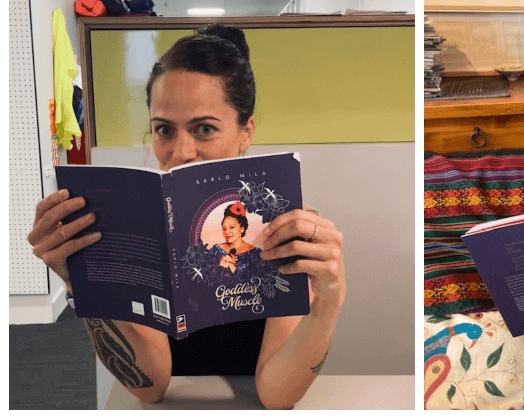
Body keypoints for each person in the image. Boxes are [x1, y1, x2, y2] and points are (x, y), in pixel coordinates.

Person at [27, 24, 346, 409]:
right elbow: (151, 387)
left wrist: (330, 299)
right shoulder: (135, 227)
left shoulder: (284, 228)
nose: (181, 151)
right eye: (164, 129)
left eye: (204, 129)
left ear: (246, 131)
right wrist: (81, 280)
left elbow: (277, 396)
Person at [211, 201, 261, 281]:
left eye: (232, 227)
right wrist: (220, 266)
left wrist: (232, 266)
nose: (227, 232)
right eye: (224, 229)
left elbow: (257, 279)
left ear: (242, 228)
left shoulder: (254, 253)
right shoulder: (216, 249)